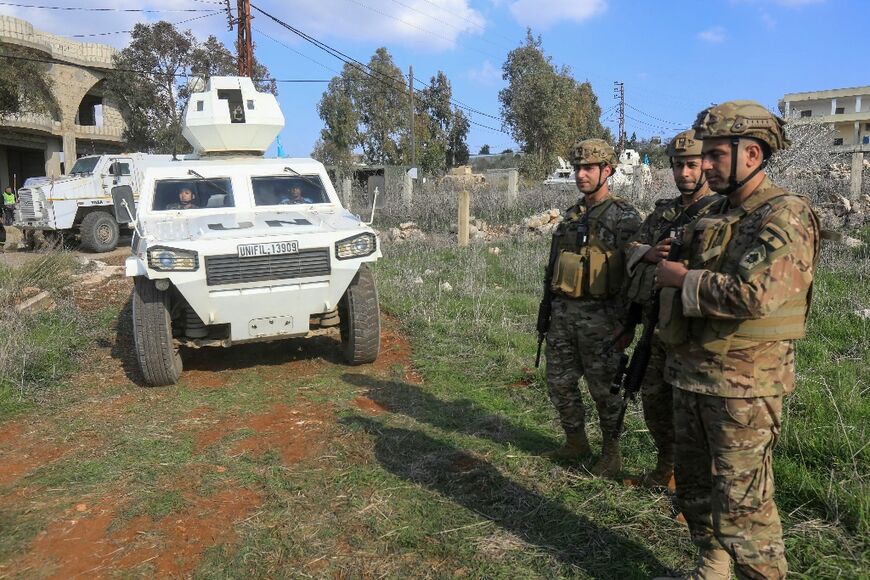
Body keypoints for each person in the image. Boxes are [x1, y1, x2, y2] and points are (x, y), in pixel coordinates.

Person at [654, 101, 819, 580]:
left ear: (751, 154)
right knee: (694, 492)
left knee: (744, 508)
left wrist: (682, 278)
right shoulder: (716, 214)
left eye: (715, 155)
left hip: (743, 388)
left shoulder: (785, 215)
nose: (704, 165)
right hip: (691, 376)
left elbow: (756, 295)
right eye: (702, 155)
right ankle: (713, 564)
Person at [622, 130, 720, 489]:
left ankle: (696, 488)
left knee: (692, 414)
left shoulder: (719, 214)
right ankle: (667, 469)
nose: (684, 173)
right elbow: (631, 247)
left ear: (707, 165)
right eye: (678, 166)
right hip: (656, 327)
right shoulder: (663, 214)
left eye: (691, 165)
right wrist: (647, 253)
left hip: (693, 334)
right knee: (655, 404)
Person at [542, 138, 641, 476]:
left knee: (605, 392)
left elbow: (634, 274)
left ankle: (611, 454)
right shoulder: (571, 217)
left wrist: (627, 324)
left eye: (588, 168)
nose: (581, 174)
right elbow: (554, 266)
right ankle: (576, 441)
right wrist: (548, 310)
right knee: (558, 382)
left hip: (603, 320)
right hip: (564, 317)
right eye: (577, 168)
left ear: (607, 170)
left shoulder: (623, 216)